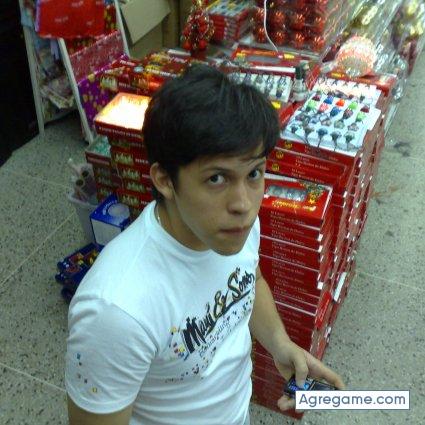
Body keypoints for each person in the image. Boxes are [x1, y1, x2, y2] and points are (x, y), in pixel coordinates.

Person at [65, 65, 345, 425]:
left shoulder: (233, 227)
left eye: (254, 173)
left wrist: (280, 343)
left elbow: (250, 281)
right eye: (216, 178)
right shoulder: (115, 313)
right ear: (164, 179)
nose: (244, 204)